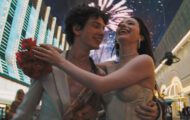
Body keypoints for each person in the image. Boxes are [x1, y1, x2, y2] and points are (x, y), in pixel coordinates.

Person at [14, 5, 158, 120]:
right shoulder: (104, 69)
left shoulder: (141, 61)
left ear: (141, 37)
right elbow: (25, 110)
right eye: (96, 26)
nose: (102, 32)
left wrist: (157, 111)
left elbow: (102, 86)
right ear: (77, 29)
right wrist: (58, 54)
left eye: (103, 28)